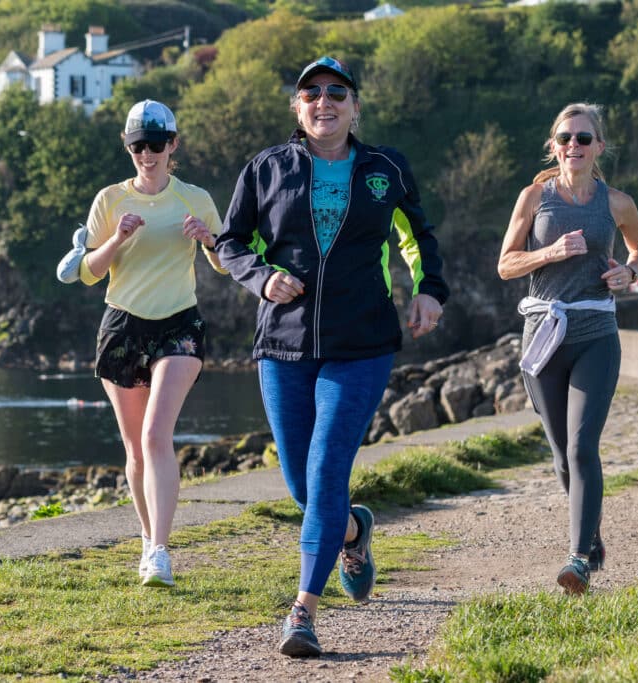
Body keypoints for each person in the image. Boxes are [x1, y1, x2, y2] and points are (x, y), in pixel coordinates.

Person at [214, 57, 449, 657]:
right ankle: (353, 529)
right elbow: (232, 242)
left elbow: (418, 237)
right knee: (301, 484)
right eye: (311, 93)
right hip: (283, 345)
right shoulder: (266, 168)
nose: (324, 102)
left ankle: (303, 612)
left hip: (362, 344)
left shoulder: (385, 167)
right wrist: (262, 278)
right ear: (298, 108)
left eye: (336, 93)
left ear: (355, 106)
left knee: (324, 476)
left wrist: (428, 289)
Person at [498, 102, 638, 595]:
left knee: (584, 445)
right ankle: (591, 537)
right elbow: (505, 265)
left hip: (596, 334)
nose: (574, 146)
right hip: (544, 336)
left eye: (584, 139)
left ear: (599, 147)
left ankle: (577, 559)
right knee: (563, 454)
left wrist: (629, 272)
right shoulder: (534, 197)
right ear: (554, 145)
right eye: (565, 138)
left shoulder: (616, 203)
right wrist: (549, 252)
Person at [70, 99, 226, 588]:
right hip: (121, 327)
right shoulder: (110, 200)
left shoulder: (195, 198)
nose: (147, 154)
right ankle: (146, 538)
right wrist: (116, 239)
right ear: (128, 147)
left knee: (158, 435)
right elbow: (87, 273)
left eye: (156, 144)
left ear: (172, 145)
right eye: (138, 145)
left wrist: (208, 240)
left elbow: (226, 263)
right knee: (136, 449)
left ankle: (160, 550)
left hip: (179, 325)